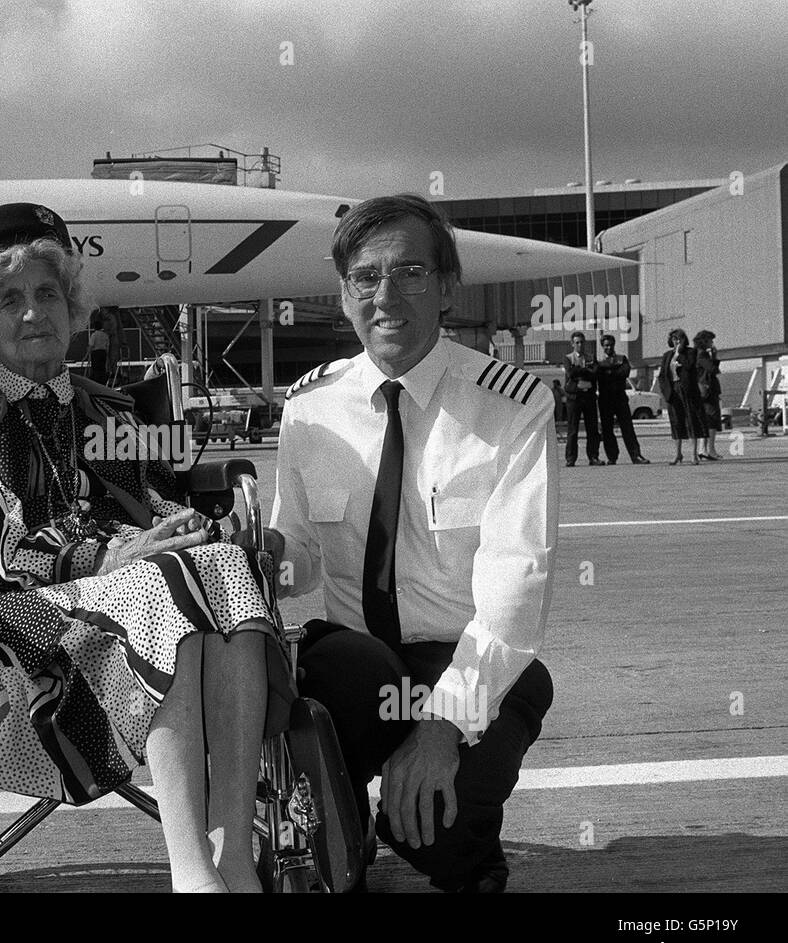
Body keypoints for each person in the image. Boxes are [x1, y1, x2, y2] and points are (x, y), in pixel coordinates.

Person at [0, 202, 293, 893]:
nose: (33, 312)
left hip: (143, 601)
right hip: (16, 622)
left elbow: (159, 505)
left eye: (47, 293)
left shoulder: (115, 411)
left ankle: (233, 851)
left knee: (223, 563)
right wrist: (101, 558)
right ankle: (191, 868)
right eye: (9, 299)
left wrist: (197, 530)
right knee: (161, 581)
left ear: (72, 304)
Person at [266, 194, 556, 893]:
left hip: (460, 661)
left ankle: (429, 829)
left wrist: (440, 729)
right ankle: (338, 815)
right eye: (366, 277)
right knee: (300, 847)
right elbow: (299, 556)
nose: (386, 296)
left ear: (449, 286)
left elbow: (517, 588)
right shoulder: (309, 407)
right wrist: (259, 552)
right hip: (352, 666)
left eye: (411, 273)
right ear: (343, 294)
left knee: (442, 834)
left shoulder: (510, 407)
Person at [595, 334, 649, 464]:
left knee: (628, 428)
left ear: (614, 345)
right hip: (605, 399)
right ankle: (612, 457)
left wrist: (608, 372)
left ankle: (636, 455)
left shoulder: (622, 358)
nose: (609, 347)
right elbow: (599, 376)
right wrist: (613, 373)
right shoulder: (599, 361)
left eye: (611, 344)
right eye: (606, 345)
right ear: (603, 347)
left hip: (620, 398)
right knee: (607, 430)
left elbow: (624, 372)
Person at [658, 328, 706, 465]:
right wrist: (665, 391)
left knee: (691, 420)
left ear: (684, 340)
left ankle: (694, 455)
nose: (677, 342)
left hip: (687, 390)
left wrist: (679, 354)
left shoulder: (690, 352)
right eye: (674, 339)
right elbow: (662, 375)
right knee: (676, 422)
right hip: (673, 390)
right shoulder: (667, 355)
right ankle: (678, 454)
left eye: (680, 339)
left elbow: (690, 366)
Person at [562, 331, 602, 466]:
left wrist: (581, 371)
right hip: (574, 397)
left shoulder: (591, 357)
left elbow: (595, 373)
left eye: (582, 342)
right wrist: (585, 371)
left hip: (589, 396)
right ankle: (570, 458)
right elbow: (571, 373)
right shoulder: (568, 358)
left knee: (592, 429)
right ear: (572, 344)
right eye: (577, 342)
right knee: (573, 429)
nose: (580, 345)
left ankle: (593, 456)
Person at [694, 330, 722, 460]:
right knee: (712, 419)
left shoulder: (696, 353)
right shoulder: (702, 354)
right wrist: (714, 357)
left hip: (701, 389)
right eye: (711, 340)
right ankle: (710, 450)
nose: (712, 342)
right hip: (708, 390)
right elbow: (713, 369)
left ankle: (703, 449)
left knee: (705, 420)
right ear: (705, 341)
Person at [87, 311, 112, 383]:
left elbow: (91, 345)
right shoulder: (105, 335)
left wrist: (87, 355)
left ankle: (96, 381)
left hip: (96, 353)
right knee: (102, 368)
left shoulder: (94, 335)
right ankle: (102, 381)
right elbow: (107, 346)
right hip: (103, 352)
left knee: (95, 368)